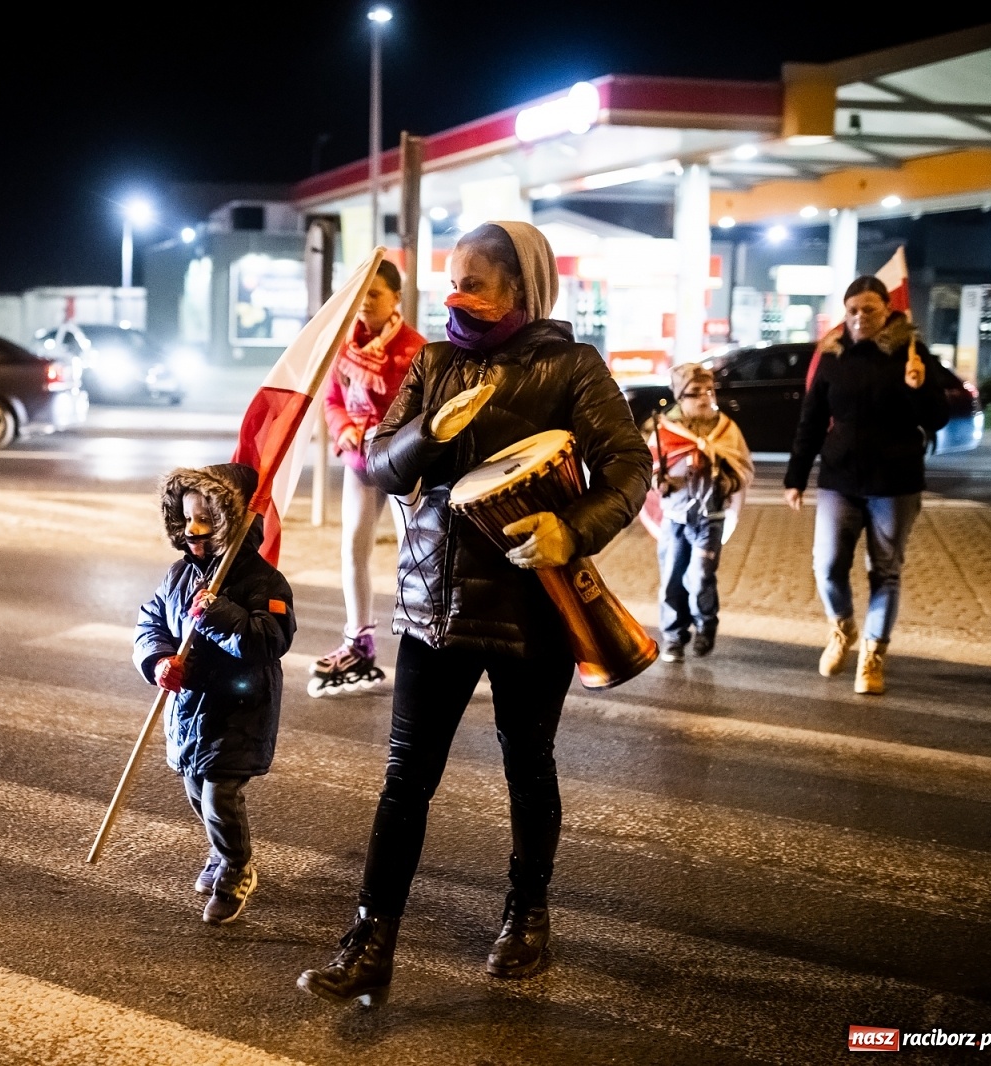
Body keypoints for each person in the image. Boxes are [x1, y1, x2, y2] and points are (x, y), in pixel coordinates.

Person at [297, 222, 649, 1005]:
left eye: (476, 282)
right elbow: (381, 463)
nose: (456, 294)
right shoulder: (433, 360)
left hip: (534, 604)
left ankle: (527, 916)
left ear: (520, 288)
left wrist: (572, 528)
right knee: (405, 780)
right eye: (451, 278)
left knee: (529, 767)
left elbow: (629, 465)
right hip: (433, 601)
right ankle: (371, 941)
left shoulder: (571, 365)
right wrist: (428, 430)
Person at [133, 462, 296, 925]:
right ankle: (222, 849)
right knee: (195, 790)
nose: (194, 529)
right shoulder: (179, 574)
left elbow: (269, 641)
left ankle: (236, 867)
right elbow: (152, 622)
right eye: (186, 518)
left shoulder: (265, 583)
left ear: (235, 520)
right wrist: (159, 659)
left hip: (239, 712)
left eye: (206, 518)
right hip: (190, 712)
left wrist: (219, 613)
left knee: (219, 795)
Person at [784, 275, 948, 695]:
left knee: (886, 572)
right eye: (852, 310)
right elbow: (812, 419)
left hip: (895, 483)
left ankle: (873, 656)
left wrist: (920, 387)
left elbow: (937, 419)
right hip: (839, 478)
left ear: (888, 310)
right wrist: (796, 477)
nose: (859, 318)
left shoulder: (911, 353)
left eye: (869, 310)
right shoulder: (833, 354)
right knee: (827, 565)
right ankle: (843, 629)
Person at [311, 259, 427, 697]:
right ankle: (359, 641)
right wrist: (345, 430)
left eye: (374, 295)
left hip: (401, 466)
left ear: (396, 297)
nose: (364, 305)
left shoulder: (414, 349)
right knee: (353, 547)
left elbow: (419, 413)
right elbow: (334, 398)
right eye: (359, 296)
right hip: (359, 462)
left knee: (414, 554)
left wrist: (382, 434)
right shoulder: (345, 346)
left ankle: (422, 641)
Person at [650, 362, 754, 662]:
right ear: (680, 397)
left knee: (699, 576)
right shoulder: (663, 430)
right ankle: (673, 636)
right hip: (675, 517)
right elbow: (648, 469)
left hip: (711, 518)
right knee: (672, 578)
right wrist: (661, 483)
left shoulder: (726, 429)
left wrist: (727, 482)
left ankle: (705, 625)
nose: (705, 397)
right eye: (696, 393)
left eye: (709, 390)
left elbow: (745, 469)